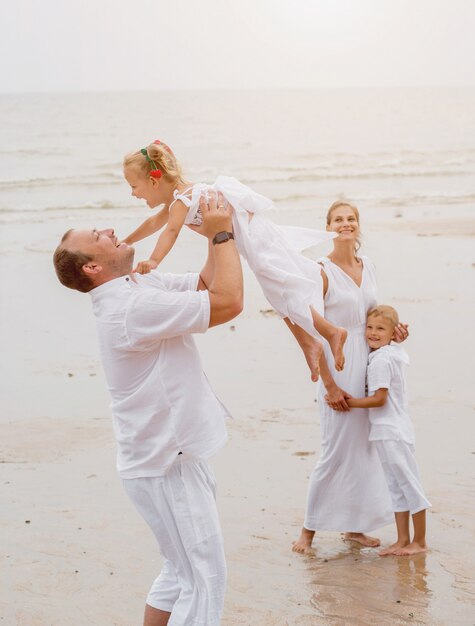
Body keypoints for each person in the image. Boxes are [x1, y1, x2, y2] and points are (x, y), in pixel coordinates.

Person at [53, 192, 243, 626]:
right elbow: (229, 301)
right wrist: (222, 234)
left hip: (160, 457)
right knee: (205, 578)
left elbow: (203, 285)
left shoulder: (135, 286)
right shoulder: (131, 305)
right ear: (92, 268)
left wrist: (204, 230)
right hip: (165, 462)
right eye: (98, 236)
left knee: (180, 574)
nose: (110, 231)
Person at [121, 139, 347, 382]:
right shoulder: (182, 196)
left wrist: (154, 260)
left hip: (255, 238)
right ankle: (309, 343)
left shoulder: (180, 202)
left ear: (154, 181)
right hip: (256, 234)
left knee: (282, 288)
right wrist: (127, 241)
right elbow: (154, 223)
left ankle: (330, 332)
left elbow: (170, 232)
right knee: (278, 290)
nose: (133, 193)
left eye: (134, 186)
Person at [292, 201, 409, 553]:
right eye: (339, 219)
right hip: (338, 363)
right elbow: (310, 327)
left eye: (351, 219)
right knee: (334, 450)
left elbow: (373, 314)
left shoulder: (367, 264)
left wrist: (393, 331)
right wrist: (328, 384)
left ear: (359, 226)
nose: (346, 224)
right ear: (328, 227)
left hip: (372, 364)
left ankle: (354, 527)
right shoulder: (320, 270)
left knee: (364, 448)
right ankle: (308, 531)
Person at [340, 305, 430, 556]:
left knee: (409, 485)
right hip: (386, 430)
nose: (373, 333)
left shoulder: (381, 360)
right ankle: (402, 540)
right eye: (369, 327)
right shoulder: (390, 354)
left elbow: (379, 399)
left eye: (380, 328)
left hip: (392, 431)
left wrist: (349, 402)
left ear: (393, 333)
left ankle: (420, 542)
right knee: (396, 487)